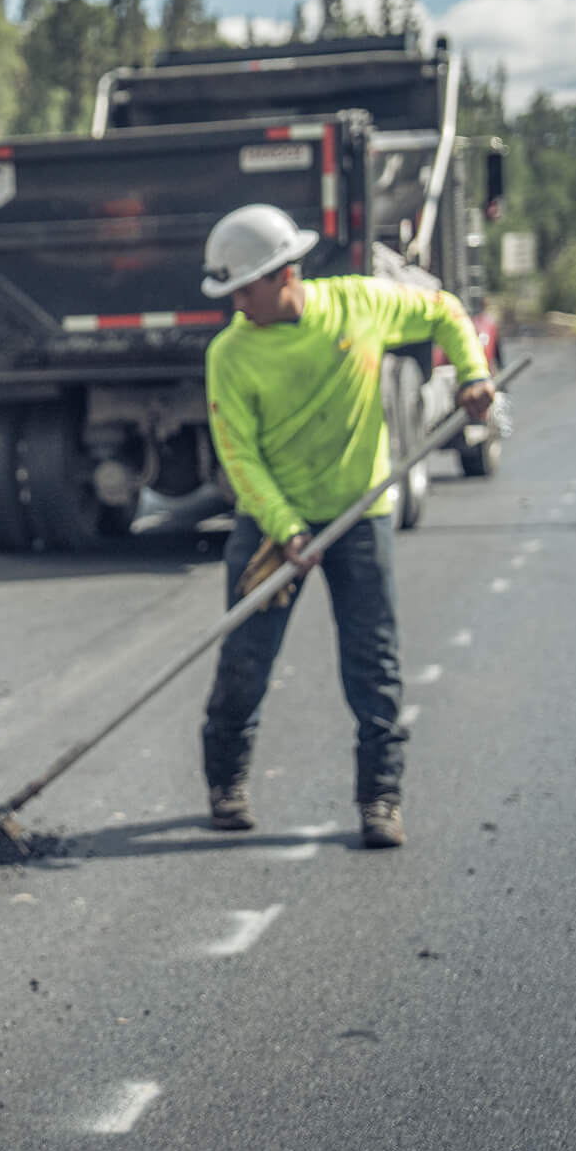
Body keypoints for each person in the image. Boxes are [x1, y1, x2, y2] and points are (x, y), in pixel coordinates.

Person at [196, 204, 493, 849]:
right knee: (245, 659)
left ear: (286, 274)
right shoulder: (231, 353)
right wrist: (287, 528)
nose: (237, 301)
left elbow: (441, 309)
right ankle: (226, 784)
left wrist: (472, 373)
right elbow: (237, 455)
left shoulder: (358, 304)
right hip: (273, 527)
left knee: (373, 661)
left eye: (244, 287)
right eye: (230, 290)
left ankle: (380, 797)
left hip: (360, 514)